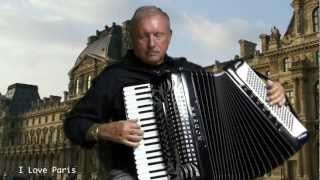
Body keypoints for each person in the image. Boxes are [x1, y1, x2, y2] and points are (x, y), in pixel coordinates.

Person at [63, 6, 286, 180]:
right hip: (132, 172)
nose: (152, 44)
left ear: (169, 36)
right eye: (144, 36)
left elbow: (236, 85)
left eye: (158, 35)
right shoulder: (114, 77)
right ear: (132, 39)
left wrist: (273, 88)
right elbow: (74, 123)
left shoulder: (188, 71)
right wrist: (101, 129)